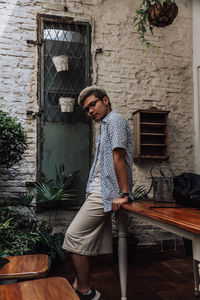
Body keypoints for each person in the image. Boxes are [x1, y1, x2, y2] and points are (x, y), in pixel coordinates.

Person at [62, 86, 133, 300]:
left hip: (105, 192)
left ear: (106, 100)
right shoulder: (104, 126)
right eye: (87, 109)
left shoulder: (115, 121)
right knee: (84, 242)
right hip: (98, 191)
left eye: (93, 104)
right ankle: (80, 284)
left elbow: (119, 159)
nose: (90, 110)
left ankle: (85, 291)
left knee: (74, 235)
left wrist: (124, 193)